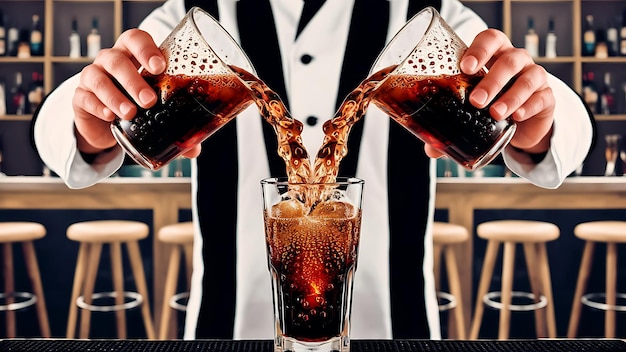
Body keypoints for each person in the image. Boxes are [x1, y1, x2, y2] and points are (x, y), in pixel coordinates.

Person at [34, 0, 593, 341]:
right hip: (226, 327)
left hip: (393, 326)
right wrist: (89, 114)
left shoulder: (431, 9)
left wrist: (538, 115)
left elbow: (562, 118)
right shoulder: (193, 11)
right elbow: (63, 116)